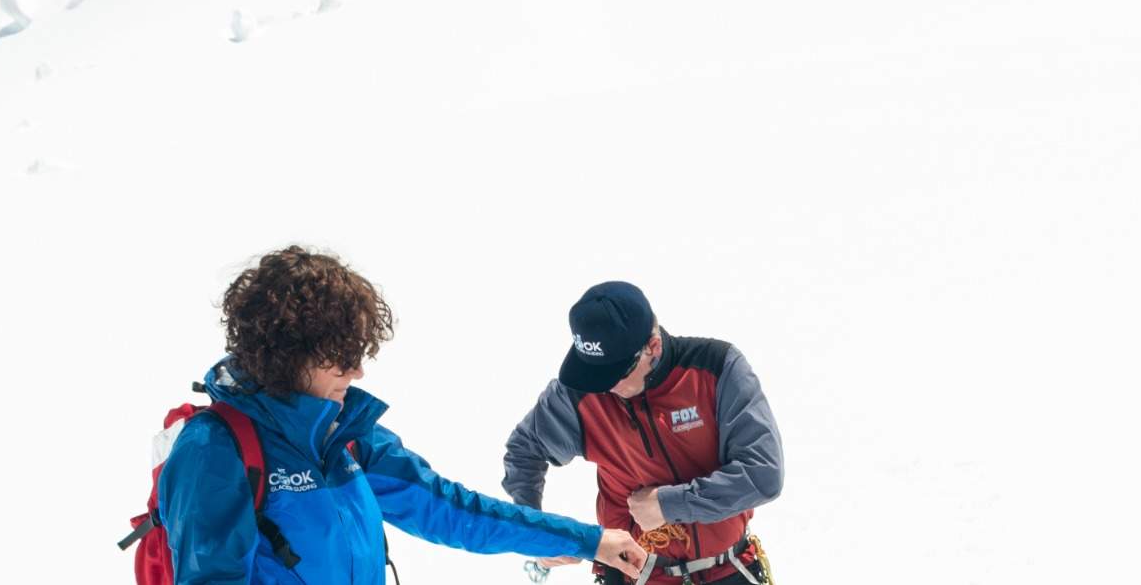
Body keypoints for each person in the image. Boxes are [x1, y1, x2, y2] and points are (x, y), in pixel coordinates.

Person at [157, 246, 649, 584]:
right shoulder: (215, 450)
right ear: (289, 355)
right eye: (340, 356)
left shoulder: (344, 438)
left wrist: (587, 540)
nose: (358, 370)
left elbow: (452, 510)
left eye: (357, 352)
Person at [504, 281, 784, 585]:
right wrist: (535, 531)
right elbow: (524, 450)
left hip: (727, 569)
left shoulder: (716, 368)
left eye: (614, 373)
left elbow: (763, 474)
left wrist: (670, 504)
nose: (602, 386)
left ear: (652, 347)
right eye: (592, 371)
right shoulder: (579, 392)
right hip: (633, 575)